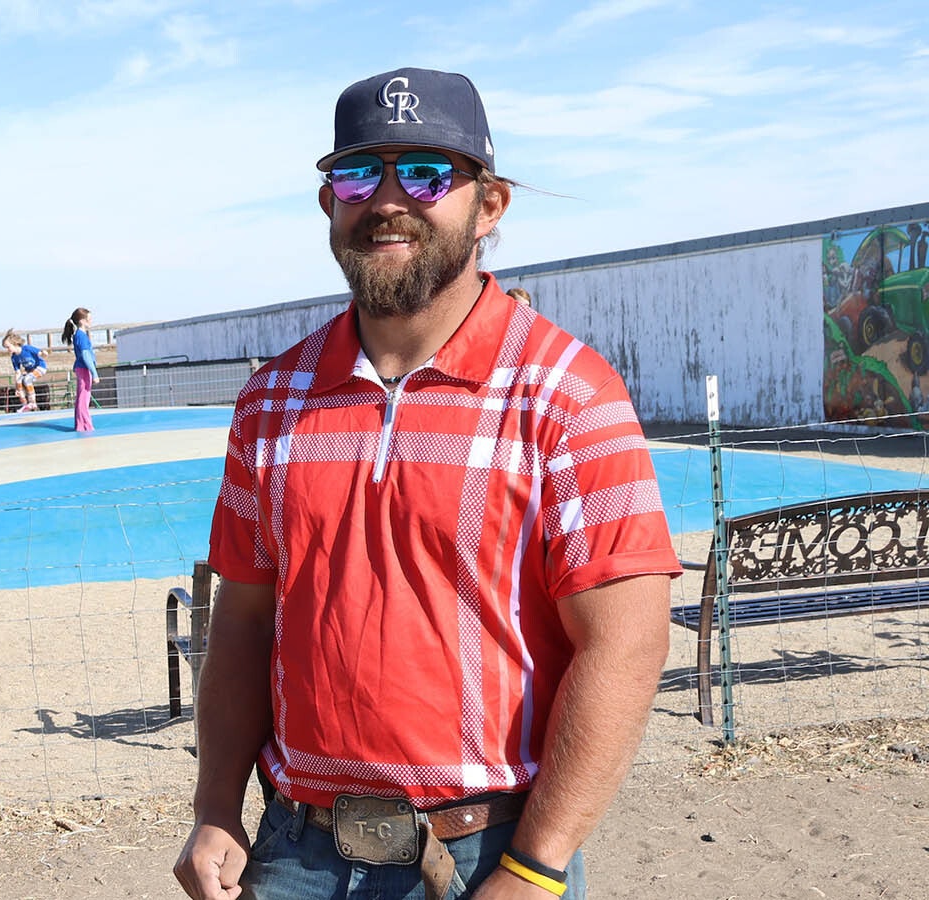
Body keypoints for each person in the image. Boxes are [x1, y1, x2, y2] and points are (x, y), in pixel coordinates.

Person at [173, 66, 681, 900]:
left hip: (487, 855)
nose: (386, 199)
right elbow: (245, 621)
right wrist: (217, 809)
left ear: (491, 204)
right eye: (357, 172)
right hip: (295, 848)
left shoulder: (566, 393)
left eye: (425, 173)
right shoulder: (272, 403)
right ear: (328, 202)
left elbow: (624, 642)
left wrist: (537, 866)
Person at [62, 308, 97, 432]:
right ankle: (85, 425)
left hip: (81, 368)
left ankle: (81, 425)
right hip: (84, 368)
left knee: (82, 397)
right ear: (82, 321)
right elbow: (86, 355)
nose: (91, 322)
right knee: (84, 398)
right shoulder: (81, 336)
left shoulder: (79, 335)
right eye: (89, 319)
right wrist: (94, 373)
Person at [2, 329, 48, 412]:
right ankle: (25, 404)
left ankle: (32, 402)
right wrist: (17, 388)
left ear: (15, 344)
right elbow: (17, 372)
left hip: (40, 367)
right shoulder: (14, 357)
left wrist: (44, 353)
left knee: (27, 379)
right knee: (19, 381)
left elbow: (40, 353)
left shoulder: (27, 348)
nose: (8, 350)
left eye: (8, 347)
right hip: (30, 371)